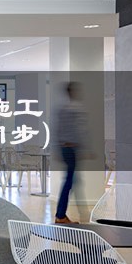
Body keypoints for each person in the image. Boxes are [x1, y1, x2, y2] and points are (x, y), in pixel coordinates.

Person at [55, 82, 87, 224]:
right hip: (72, 148)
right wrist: (85, 149)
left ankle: (68, 213)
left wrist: (58, 149)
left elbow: (57, 130)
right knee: (69, 181)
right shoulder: (76, 109)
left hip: (64, 148)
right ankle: (61, 215)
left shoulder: (62, 109)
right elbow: (80, 130)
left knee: (73, 180)